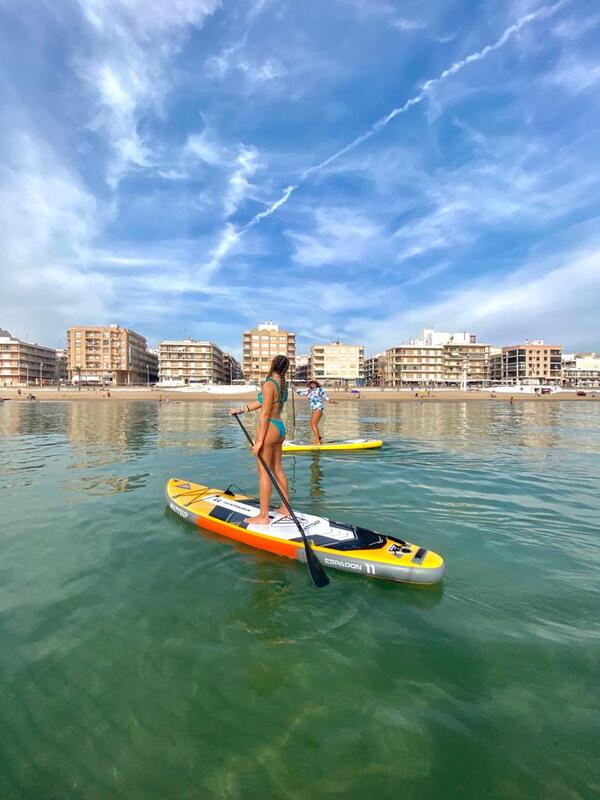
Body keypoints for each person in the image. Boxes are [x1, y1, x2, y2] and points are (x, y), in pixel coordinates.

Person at [230, 355, 290, 525]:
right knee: (278, 469)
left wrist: (259, 442)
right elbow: (262, 403)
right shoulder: (282, 385)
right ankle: (286, 508)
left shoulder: (269, 384)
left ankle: (263, 516)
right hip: (279, 428)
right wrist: (241, 410)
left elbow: (264, 414)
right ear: (286, 369)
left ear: (272, 365)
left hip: (269, 427)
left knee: (264, 473)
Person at [295, 380, 336, 445]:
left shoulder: (319, 389)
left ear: (316, 384)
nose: (312, 384)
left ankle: (317, 441)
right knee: (312, 425)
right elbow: (300, 393)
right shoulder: (309, 391)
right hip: (314, 409)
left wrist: (330, 401)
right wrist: (294, 388)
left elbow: (324, 395)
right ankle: (318, 438)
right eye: (311, 383)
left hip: (318, 408)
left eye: (314, 383)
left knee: (313, 425)